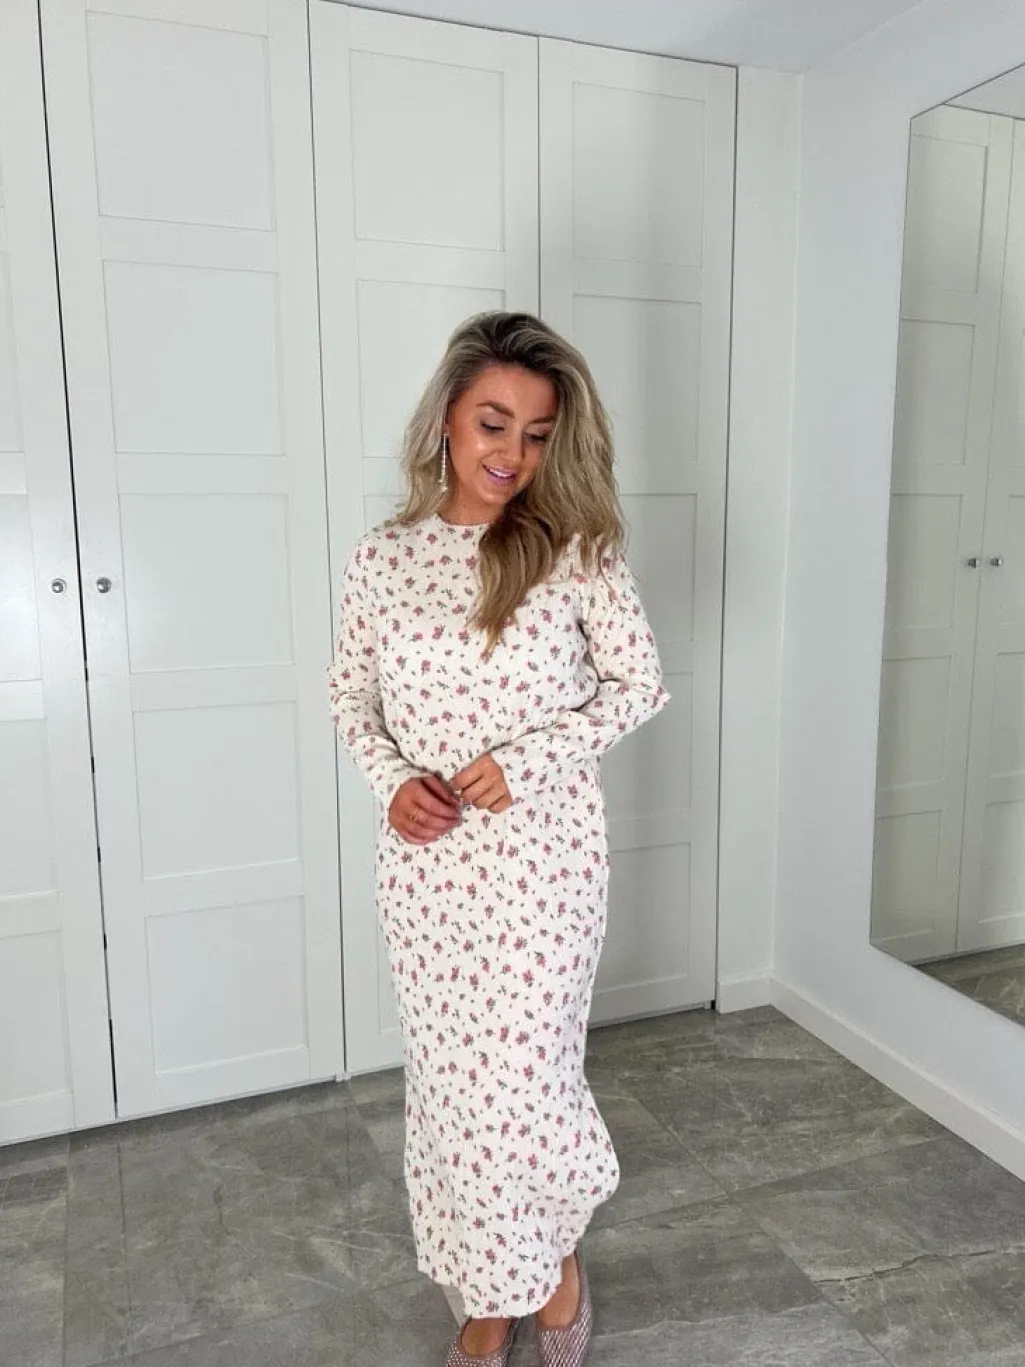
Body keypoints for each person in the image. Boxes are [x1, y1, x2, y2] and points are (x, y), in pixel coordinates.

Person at [328, 311, 668, 1366]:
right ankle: (490, 1288)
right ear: (445, 416)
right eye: (492, 422)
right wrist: (392, 783)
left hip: (543, 866)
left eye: (535, 432)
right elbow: (350, 698)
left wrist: (527, 759)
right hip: (427, 869)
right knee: (450, 1086)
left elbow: (637, 684)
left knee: (524, 1084)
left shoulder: (576, 550)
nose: (511, 452)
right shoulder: (382, 557)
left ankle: (547, 1265)